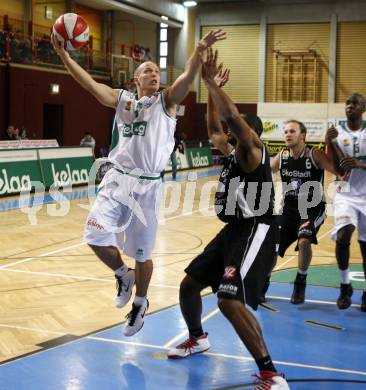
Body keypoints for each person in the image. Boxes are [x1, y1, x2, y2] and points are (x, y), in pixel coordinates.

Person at [51, 29, 226, 336]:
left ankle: (140, 304)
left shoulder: (167, 101)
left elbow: (185, 79)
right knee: (94, 236)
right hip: (118, 179)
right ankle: (123, 274)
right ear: (135, 79)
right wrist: (65, 55)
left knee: (143, 254)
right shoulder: (123, 101)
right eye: (147, 71)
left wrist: (198, 53)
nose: (154, 74)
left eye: (157, 71)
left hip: (148, 185)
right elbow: (90, 85)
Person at [168, 49, 289, 390]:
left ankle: (271, 373)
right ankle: (198, 337)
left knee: (228, 300)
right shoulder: (233, 150)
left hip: (258, 229)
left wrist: (208, 82)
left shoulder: (253, 152)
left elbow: (233, 117)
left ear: (248, 133)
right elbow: (213, 128)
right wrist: (209, 92)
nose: (227, 132)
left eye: (234, 130)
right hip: (235, 229)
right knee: (190, 284)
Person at [270, 120, 338, 304]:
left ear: (303, 135)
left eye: (292, 131)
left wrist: (331, 145)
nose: (287, 134)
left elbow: (336, 169)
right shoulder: (282, 156)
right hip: (289, 209)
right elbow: (265, 170)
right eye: (285, 131)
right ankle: (263, 279)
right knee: (271, 245)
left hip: (313, 209)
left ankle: (300, 281)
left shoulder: (314, 154)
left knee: (305, 239)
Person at [326, 93, 366, 311]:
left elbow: (357, 164)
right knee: (343, 237)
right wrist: (329, 143)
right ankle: (345, 285)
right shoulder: (337, 134)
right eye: (347, 103)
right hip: (345, 193)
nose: (350, 106)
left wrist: (361, 164)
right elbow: (338, 170)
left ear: (363, 108)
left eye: (355, 103)